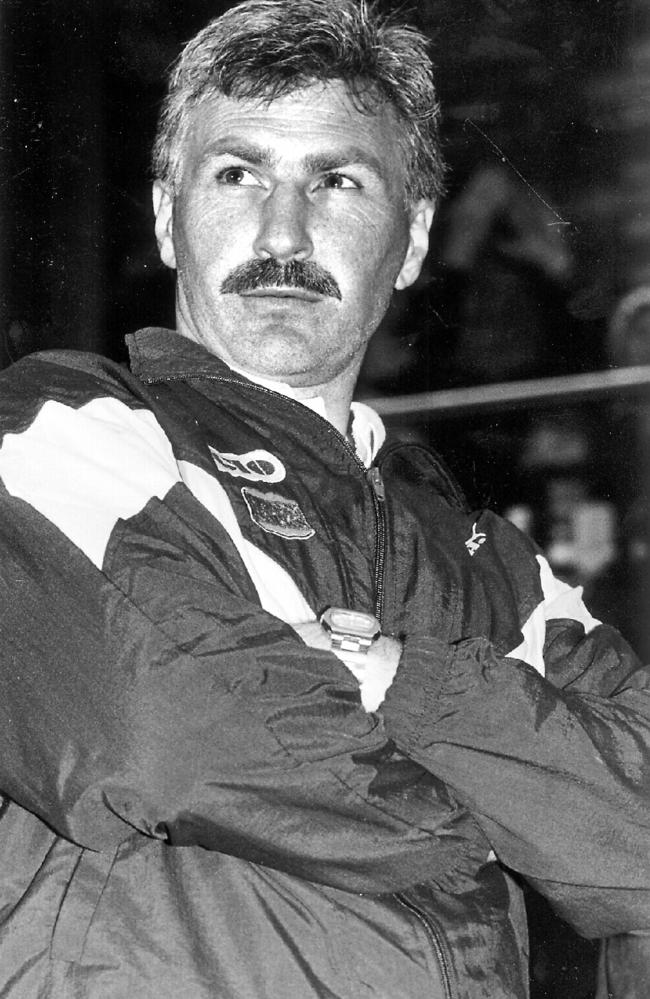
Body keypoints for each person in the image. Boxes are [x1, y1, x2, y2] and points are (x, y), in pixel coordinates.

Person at [0, 1, 649, 996]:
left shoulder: (486, 565)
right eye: (235, 173)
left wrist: (406, 683)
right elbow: (158, 730)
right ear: (168, 214)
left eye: (336, 180)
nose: (282, 229)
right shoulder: (54, 428)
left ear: (416, 237)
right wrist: (498, 815)